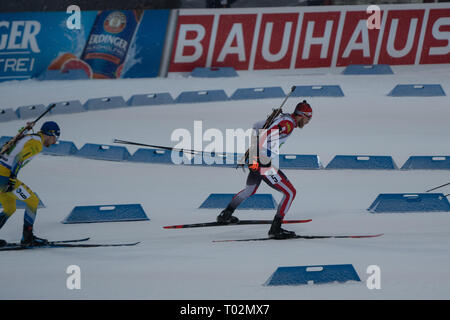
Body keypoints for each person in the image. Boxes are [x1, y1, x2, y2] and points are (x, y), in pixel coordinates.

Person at [216, 101, 312, 239]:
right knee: (290, 192)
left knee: (250, 190)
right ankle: (275, 229)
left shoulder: (282, 118)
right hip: (263, 162)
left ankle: (226, 214)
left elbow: (256, 126)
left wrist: (253, 151)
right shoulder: (288, 124)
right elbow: (266, 136)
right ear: (302, 115)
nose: (308, 122)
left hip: (255, 159)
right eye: (308, 118)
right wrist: (259, 153)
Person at [0, 121, 60, 246]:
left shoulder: (29, 136)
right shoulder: (36, 143)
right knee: (32, 201)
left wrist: (26, 128)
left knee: (10, 208)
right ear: (50, 134)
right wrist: (11, 180)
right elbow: (19, 159)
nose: (55, 142)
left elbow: (15, 142)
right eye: (56, 138)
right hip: (4, 177)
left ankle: (27, 237)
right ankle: (27, 238)